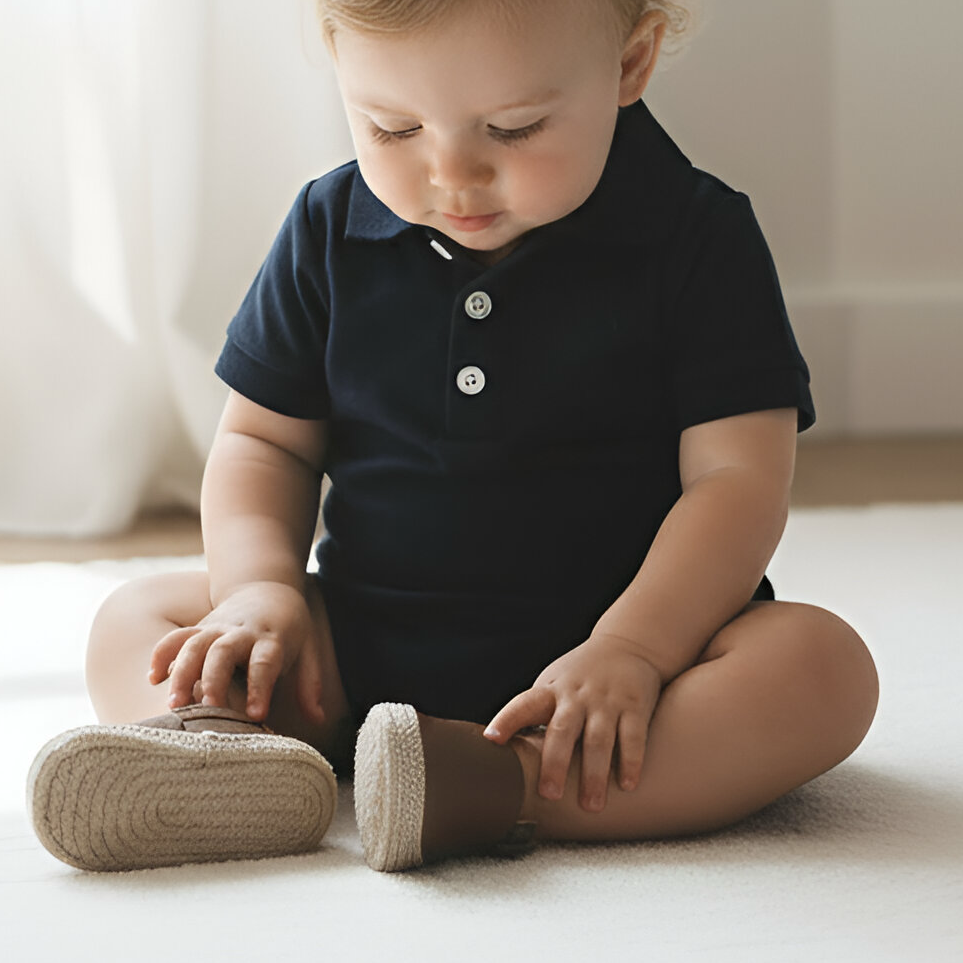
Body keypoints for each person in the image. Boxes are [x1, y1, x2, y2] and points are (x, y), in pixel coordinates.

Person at [28, 0, 879, 874]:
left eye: (512, 129)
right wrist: (258, 591)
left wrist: (635, 647)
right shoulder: (328, 228)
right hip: (358, 653)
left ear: (629, 65)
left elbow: (736, 480)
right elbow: (263, 445)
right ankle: (227, 761)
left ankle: (494, 783)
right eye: (392, 127)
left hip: (613, 672)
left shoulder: (698, 239)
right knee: (139, 617)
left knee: (821, 670)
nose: (452, 174)